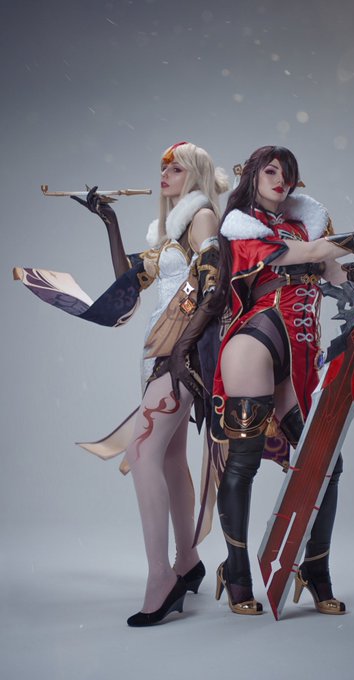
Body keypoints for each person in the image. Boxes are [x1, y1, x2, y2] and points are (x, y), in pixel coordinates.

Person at [14, 141, 229, 626]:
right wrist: (109, 222)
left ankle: (161, 577)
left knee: (142, 453)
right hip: (162, 351)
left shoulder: (200, 218)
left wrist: (182, 349)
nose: (165, 174)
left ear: (195, 175)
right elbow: (128, 280)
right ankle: (187, 562)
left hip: (181, 355)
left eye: (176, 168)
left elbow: (214, 289)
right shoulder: (171, 232)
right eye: (163, 167)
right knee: (168, 458)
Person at [209, 145, 354, 615]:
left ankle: (315, 570)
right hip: (256, 341)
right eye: (271, 170)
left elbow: (336, 275)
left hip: (300, 351)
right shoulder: (243, 228)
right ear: (252, 176)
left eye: (288, 172)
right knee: (243, 463)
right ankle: (236, 572)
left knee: (326, 463)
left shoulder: (303, 226)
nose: (280, 179)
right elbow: (315, 253)